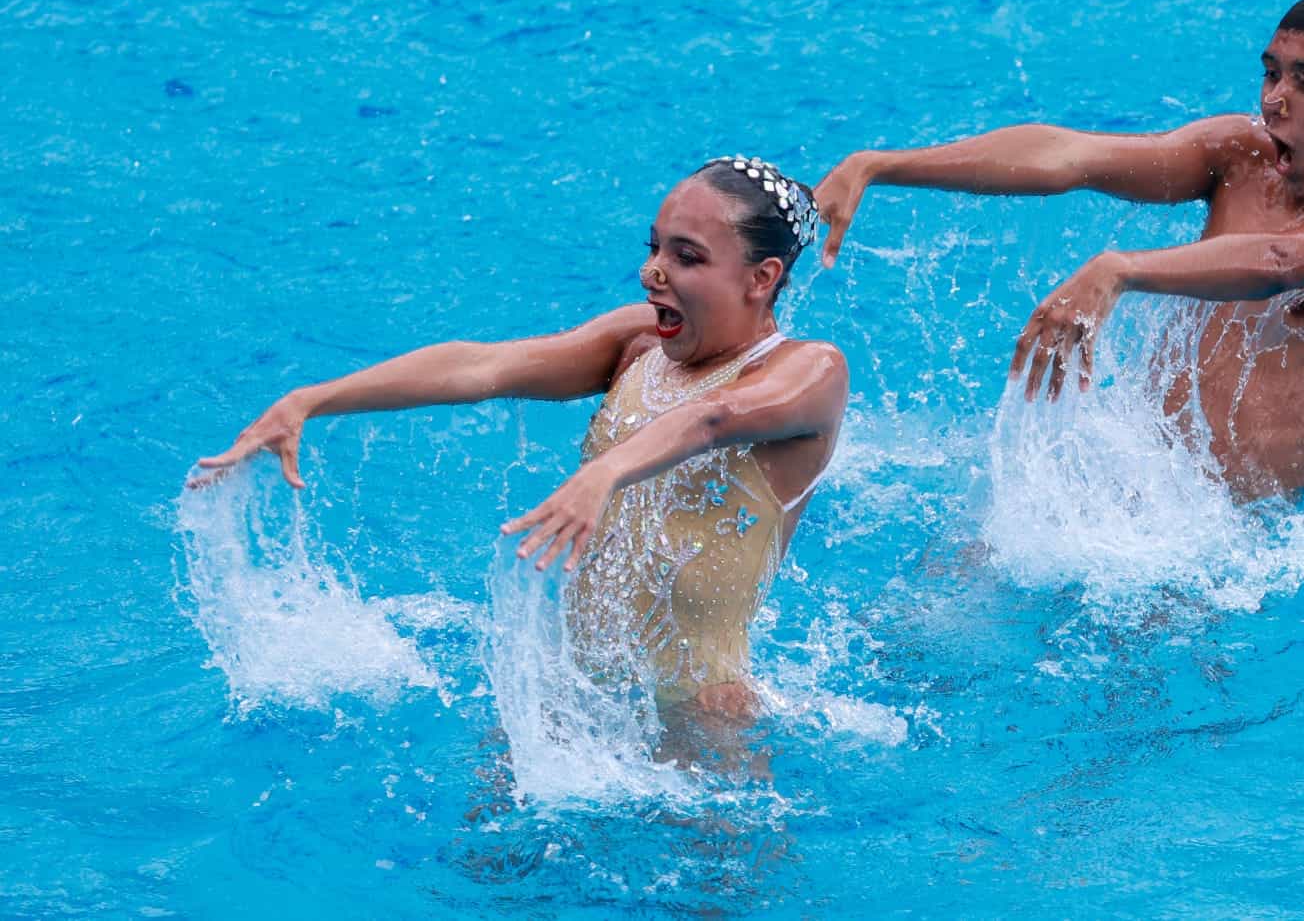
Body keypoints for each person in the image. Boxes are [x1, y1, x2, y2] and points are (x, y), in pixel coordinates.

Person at [192, 156, 848, 723]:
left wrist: (603, 472)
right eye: (652, 247)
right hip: (570, 701)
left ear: (760, 278)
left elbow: (716, 416)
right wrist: (312, 399)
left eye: (686, 256)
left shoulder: (810, 371)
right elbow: (484, 366)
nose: (652, 272)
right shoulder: (638, 341)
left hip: (697, 714)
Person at [812, 0, 1304, 501]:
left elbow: (1280, 261)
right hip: (1120, 476)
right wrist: (879, 164)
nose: (1274, 101)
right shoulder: (1241, 154)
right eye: (1270, 74)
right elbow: (1072, 155)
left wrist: (1120, 269)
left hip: (1225, 544)